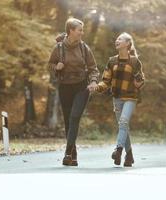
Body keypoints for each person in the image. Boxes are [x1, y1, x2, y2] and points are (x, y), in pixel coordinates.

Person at [48, 18, 99, 166]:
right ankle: (73, 155)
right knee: (68, 121)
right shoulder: (58, 48)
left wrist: (94, 81)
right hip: (65, 86)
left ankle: (67, 152)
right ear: (71, 30)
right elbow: (50, 65)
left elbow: (93, 68)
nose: (82, 33)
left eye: (82, 30)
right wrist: (56, 67)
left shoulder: (84, 48)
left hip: (81, 87)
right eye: (80, 30)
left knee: (75, 117)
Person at [88, 32, 145, 167]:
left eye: (120, 39)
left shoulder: (135, 61)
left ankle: (118, 150)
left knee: (124, 121)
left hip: (131, 97)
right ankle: (129, 156)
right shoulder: (112, 61)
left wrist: (138, 80)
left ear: (127, 44)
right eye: (117, 39)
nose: (117, 41)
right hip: (117, 97)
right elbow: (106, 81)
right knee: (123, 126)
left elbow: (140, 82)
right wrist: (97, 87)